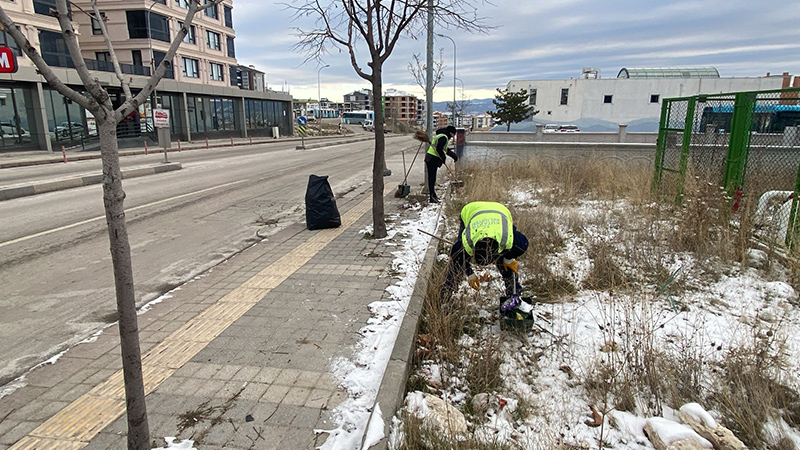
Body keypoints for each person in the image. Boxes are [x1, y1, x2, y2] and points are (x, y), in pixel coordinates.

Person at [442, 201, 529, 311]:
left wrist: (508, 258)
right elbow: (456, 255)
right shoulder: (468, 241)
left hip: (500, 212)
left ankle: (513, 292)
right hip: (470, 210)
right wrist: (469, 272)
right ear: (473, 250)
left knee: (506, 263)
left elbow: (524, 243)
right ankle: (446, 294)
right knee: (458, 262)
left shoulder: (509, 239)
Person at [424, 125, 458, 203]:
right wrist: (443, 158)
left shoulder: (441, 135)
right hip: (432, 159)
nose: (453, 137)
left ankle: (433, 195)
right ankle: (432, 197)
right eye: (453, 134)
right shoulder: (443, 137)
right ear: (451, 133)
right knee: (432, 178)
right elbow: (439, 149)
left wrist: (454, 156)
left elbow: (445, 149)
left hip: (431, 158)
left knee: (432, 178)